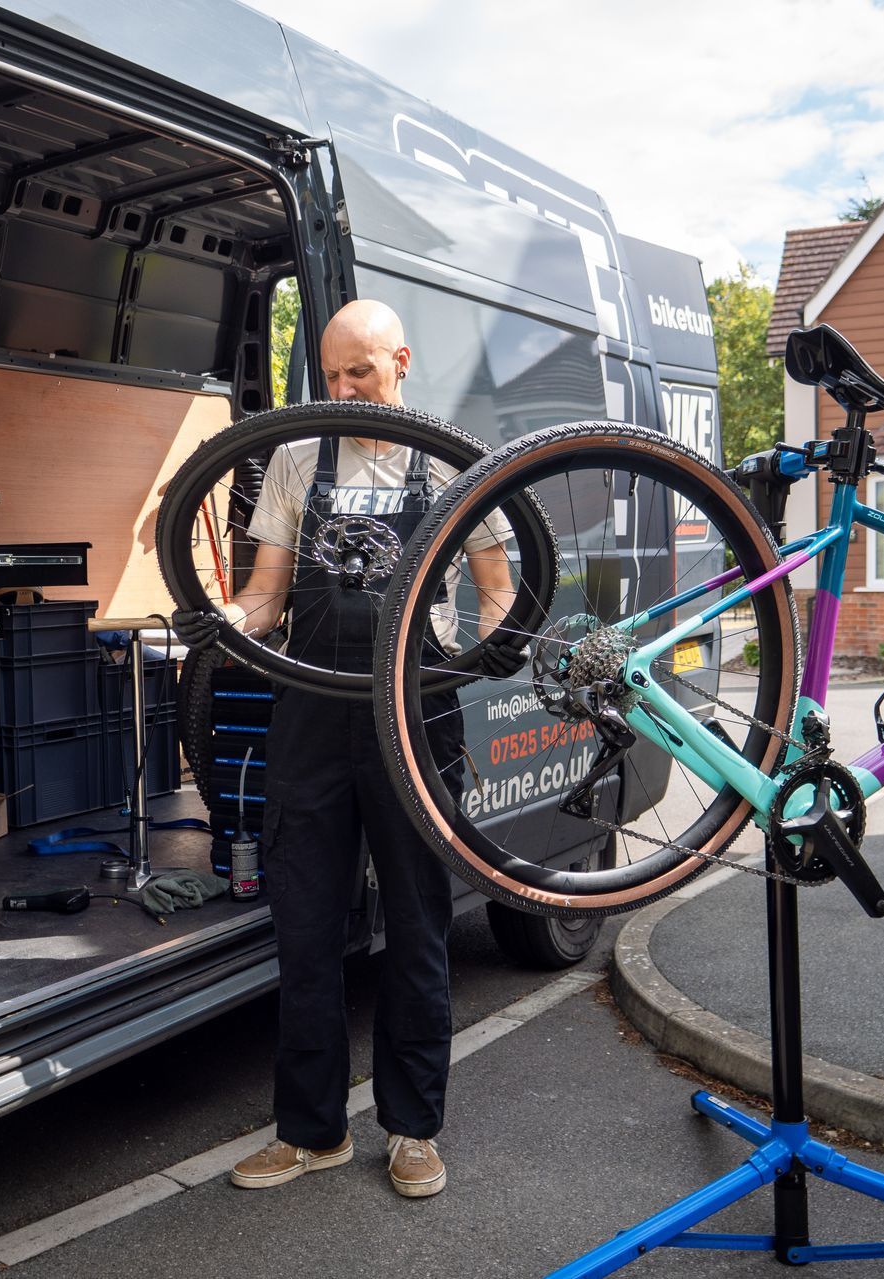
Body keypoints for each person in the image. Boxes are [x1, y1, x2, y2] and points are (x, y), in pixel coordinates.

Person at [174, 299, 520, 1199]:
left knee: (416, 927)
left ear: (400, 360)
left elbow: (496, 587)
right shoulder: (298, 455)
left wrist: (482, 655)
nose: (340, 390)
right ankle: (309, 1131)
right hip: (313, 709)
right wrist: (220, 623)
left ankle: (412, 1130)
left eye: (358, 372)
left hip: (416, 711)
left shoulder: (452, 460)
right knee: (305, 927)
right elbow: (265, 595)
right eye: (329, 375)